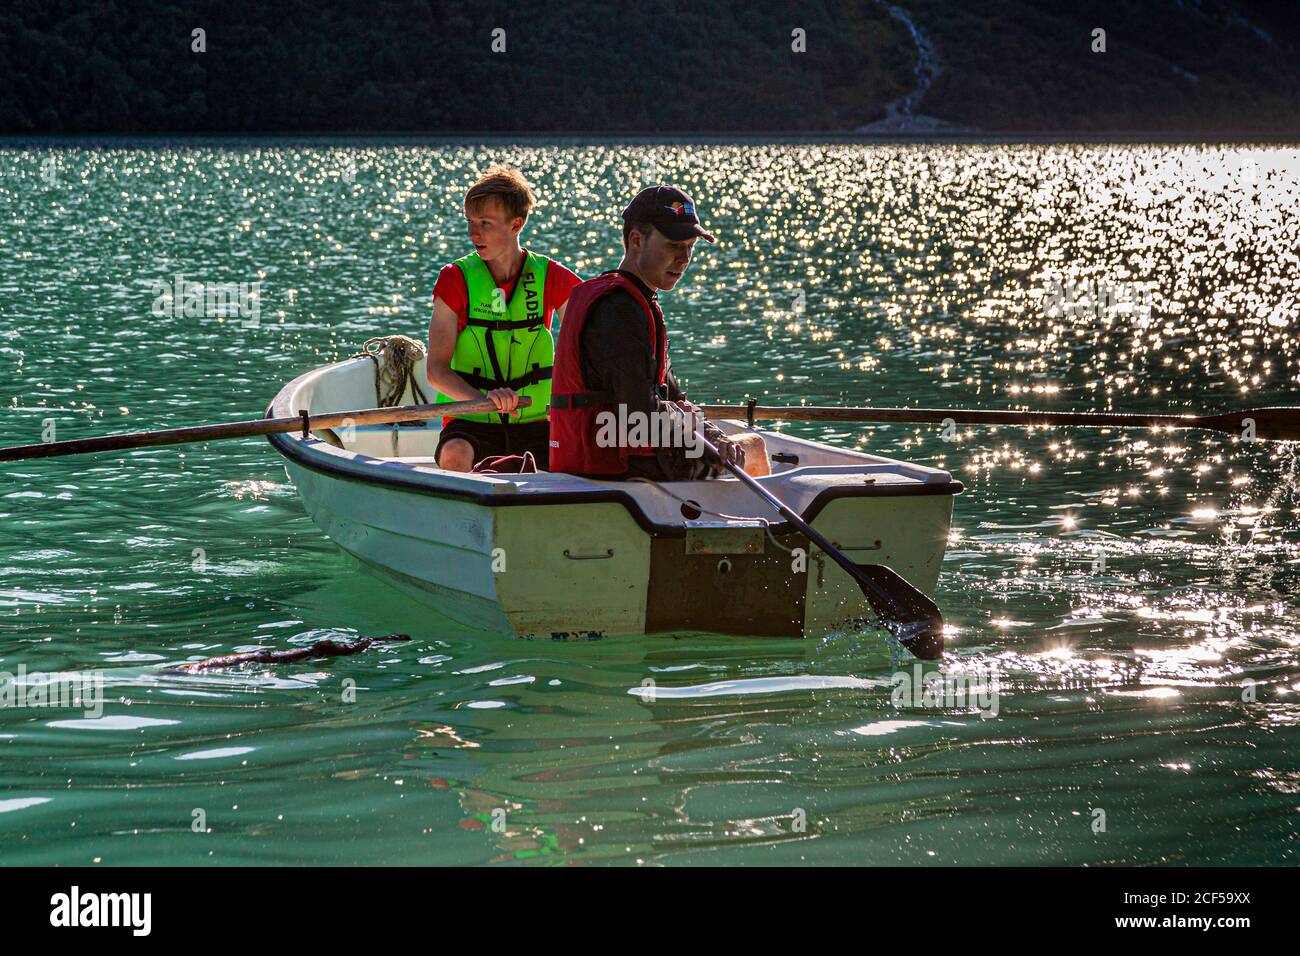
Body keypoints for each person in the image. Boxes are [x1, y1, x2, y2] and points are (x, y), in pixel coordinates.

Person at [549, 185, 755, 480]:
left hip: (613, 456)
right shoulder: (619, 311)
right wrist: (706, 442)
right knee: (754, 448)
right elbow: (639, 416)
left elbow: (671, 396)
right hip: (621, 468)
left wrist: (709, 432)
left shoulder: (636, 303)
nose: (684, 259)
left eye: (690, 247)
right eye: (673, 245)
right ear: (636, 240)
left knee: (733, 445)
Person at [425, 165, 582, 471]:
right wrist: (483, 399)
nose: (474, 233)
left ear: (516, 224)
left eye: (485, 223)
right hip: (470, 421)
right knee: (455, 454)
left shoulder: (552, 277)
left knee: (580, 458)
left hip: (537, 420)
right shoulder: (454, 279)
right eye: (470, 222)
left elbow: (589, 347)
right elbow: (436, 371)